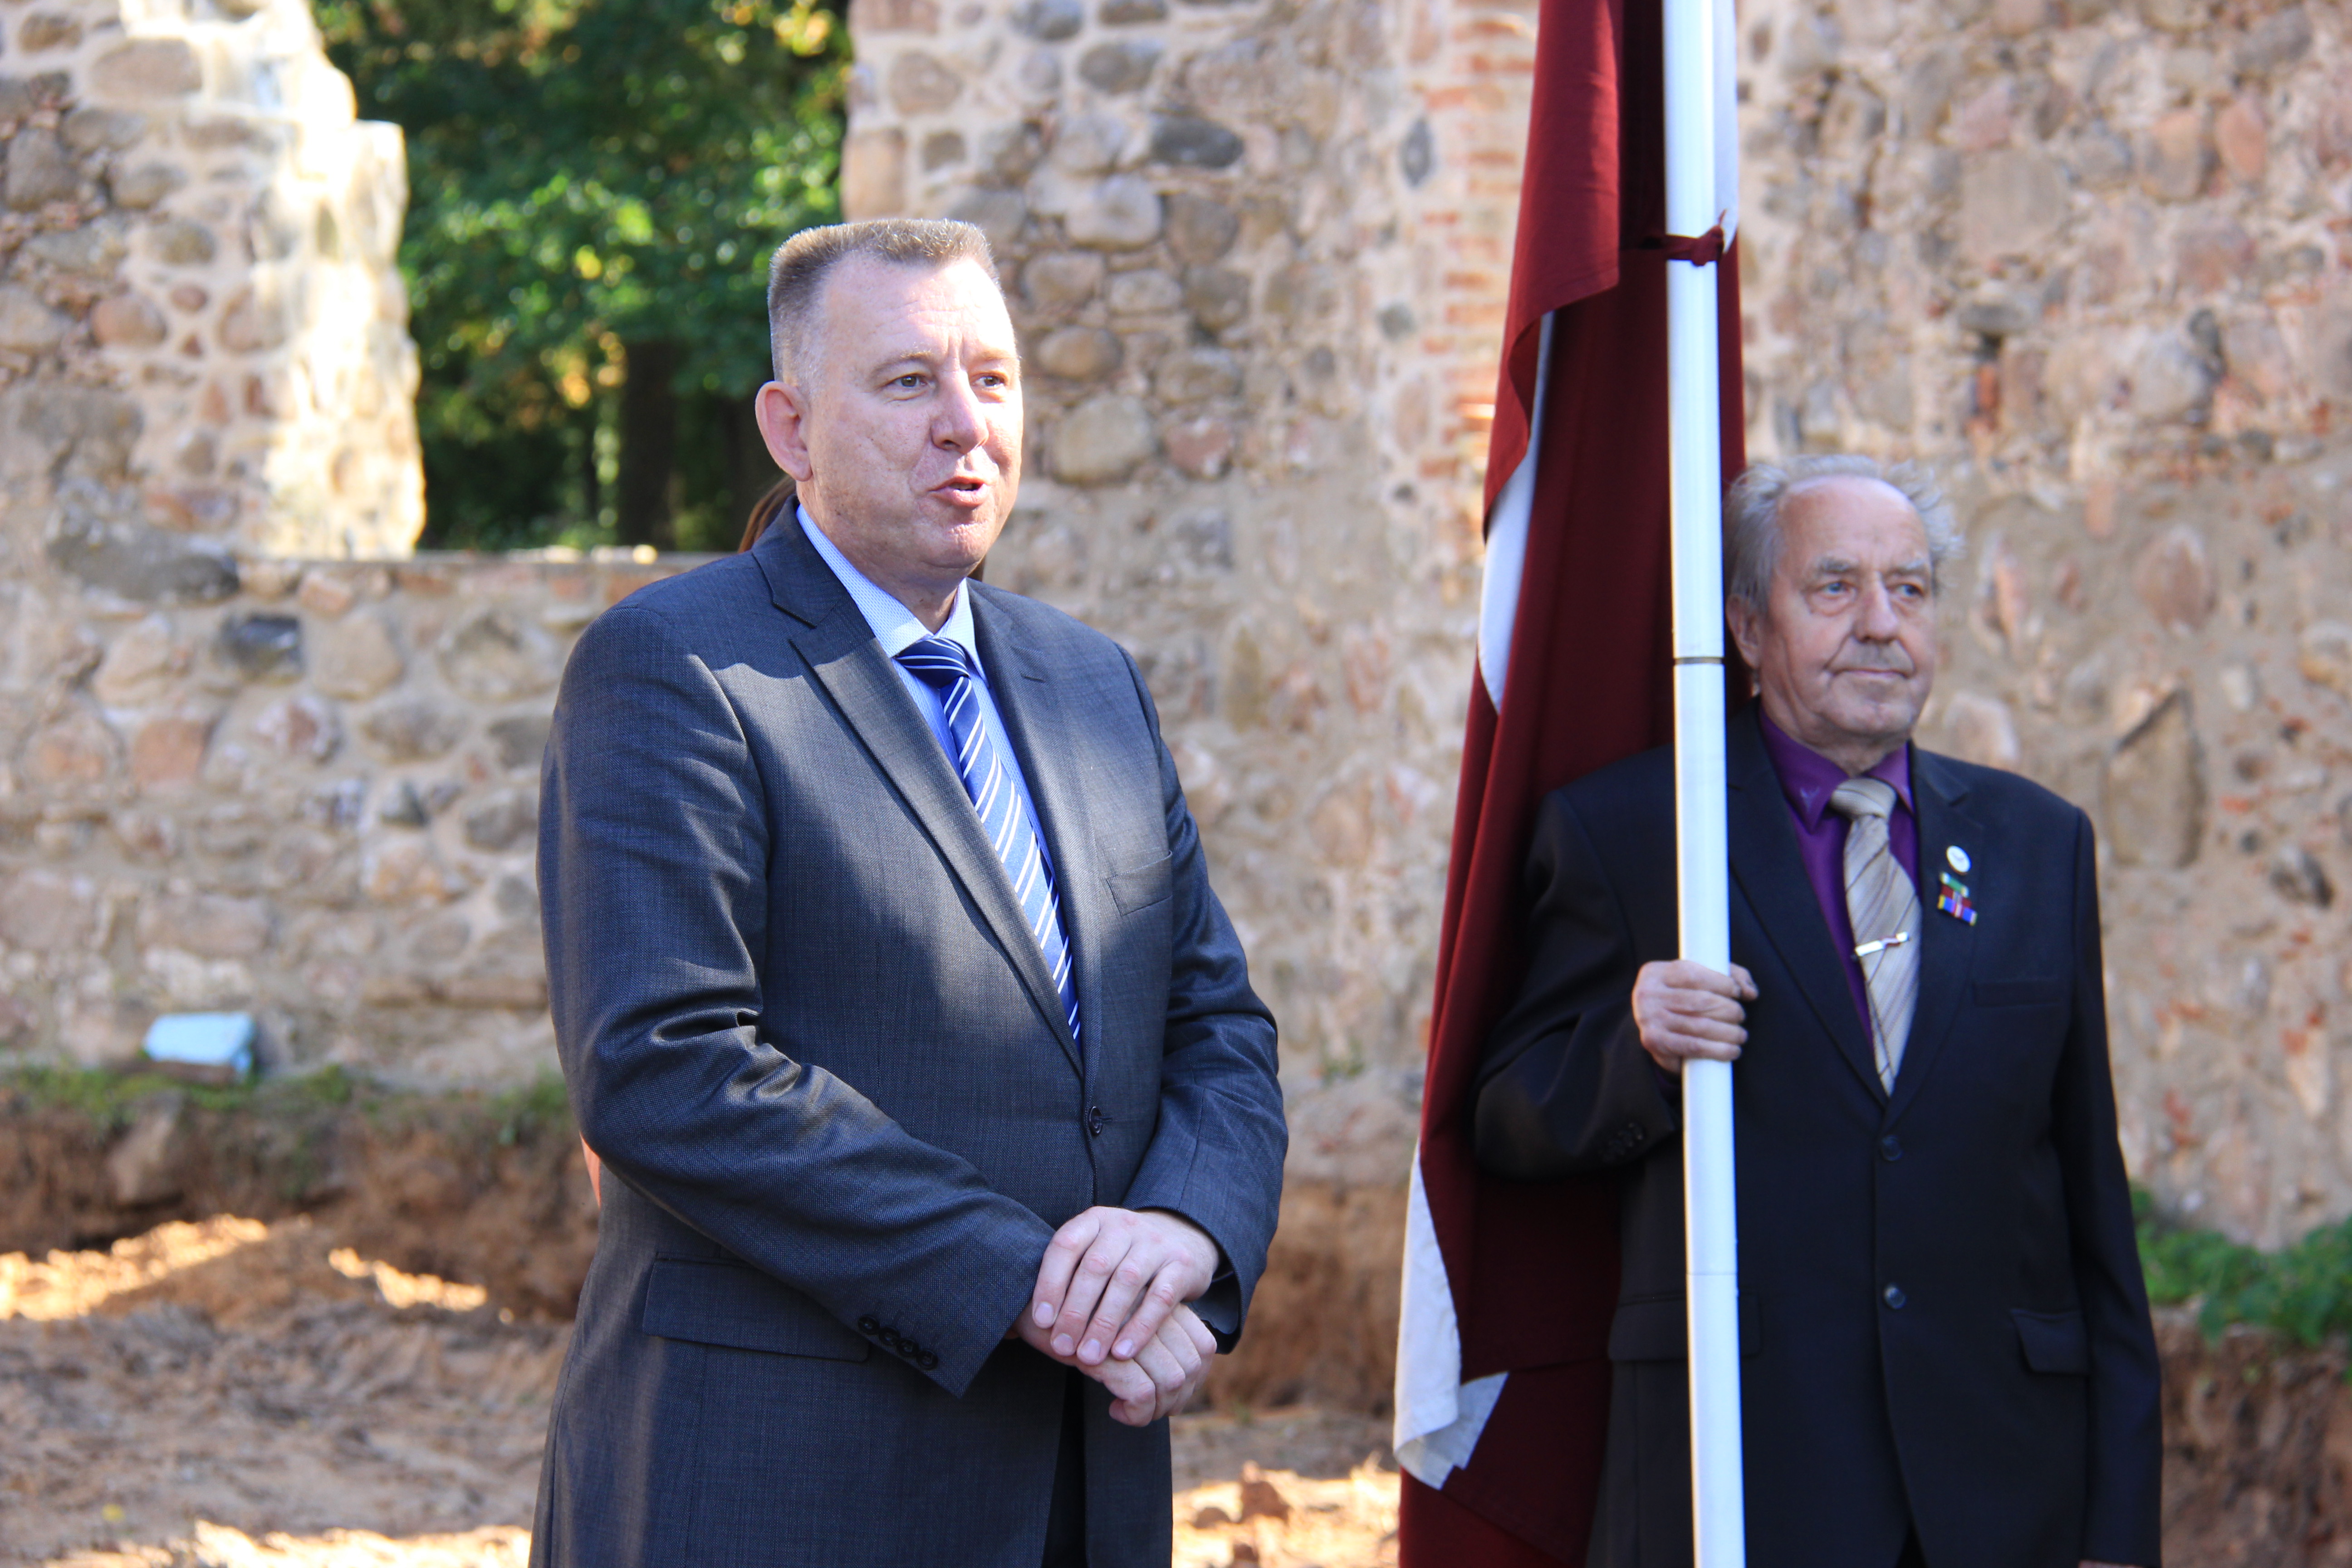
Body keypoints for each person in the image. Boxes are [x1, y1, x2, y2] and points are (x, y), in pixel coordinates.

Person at [529, 218, 1286, 1568]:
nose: (965, 425)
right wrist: (1028, 1281)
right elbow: (665, 1065)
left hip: (1084, 1478)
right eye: (907, 383)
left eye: (992, 380)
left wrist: (1184, 1229)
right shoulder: (677, 666)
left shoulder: (1092, 682)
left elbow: (1214, 1026)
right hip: (789, 1483)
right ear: (791, 427)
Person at [1471, 456, 2161, 1568]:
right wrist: (1636, 1050)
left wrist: (2120, 1532)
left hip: (2003, 1489)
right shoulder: (1636, 830)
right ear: (1748, 628)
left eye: (1911, 589)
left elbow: (2090, 1201)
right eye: (1835, 587)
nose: (1881, 624)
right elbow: (1505, 1117)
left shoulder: (2040, 844)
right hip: (1742, 1478)